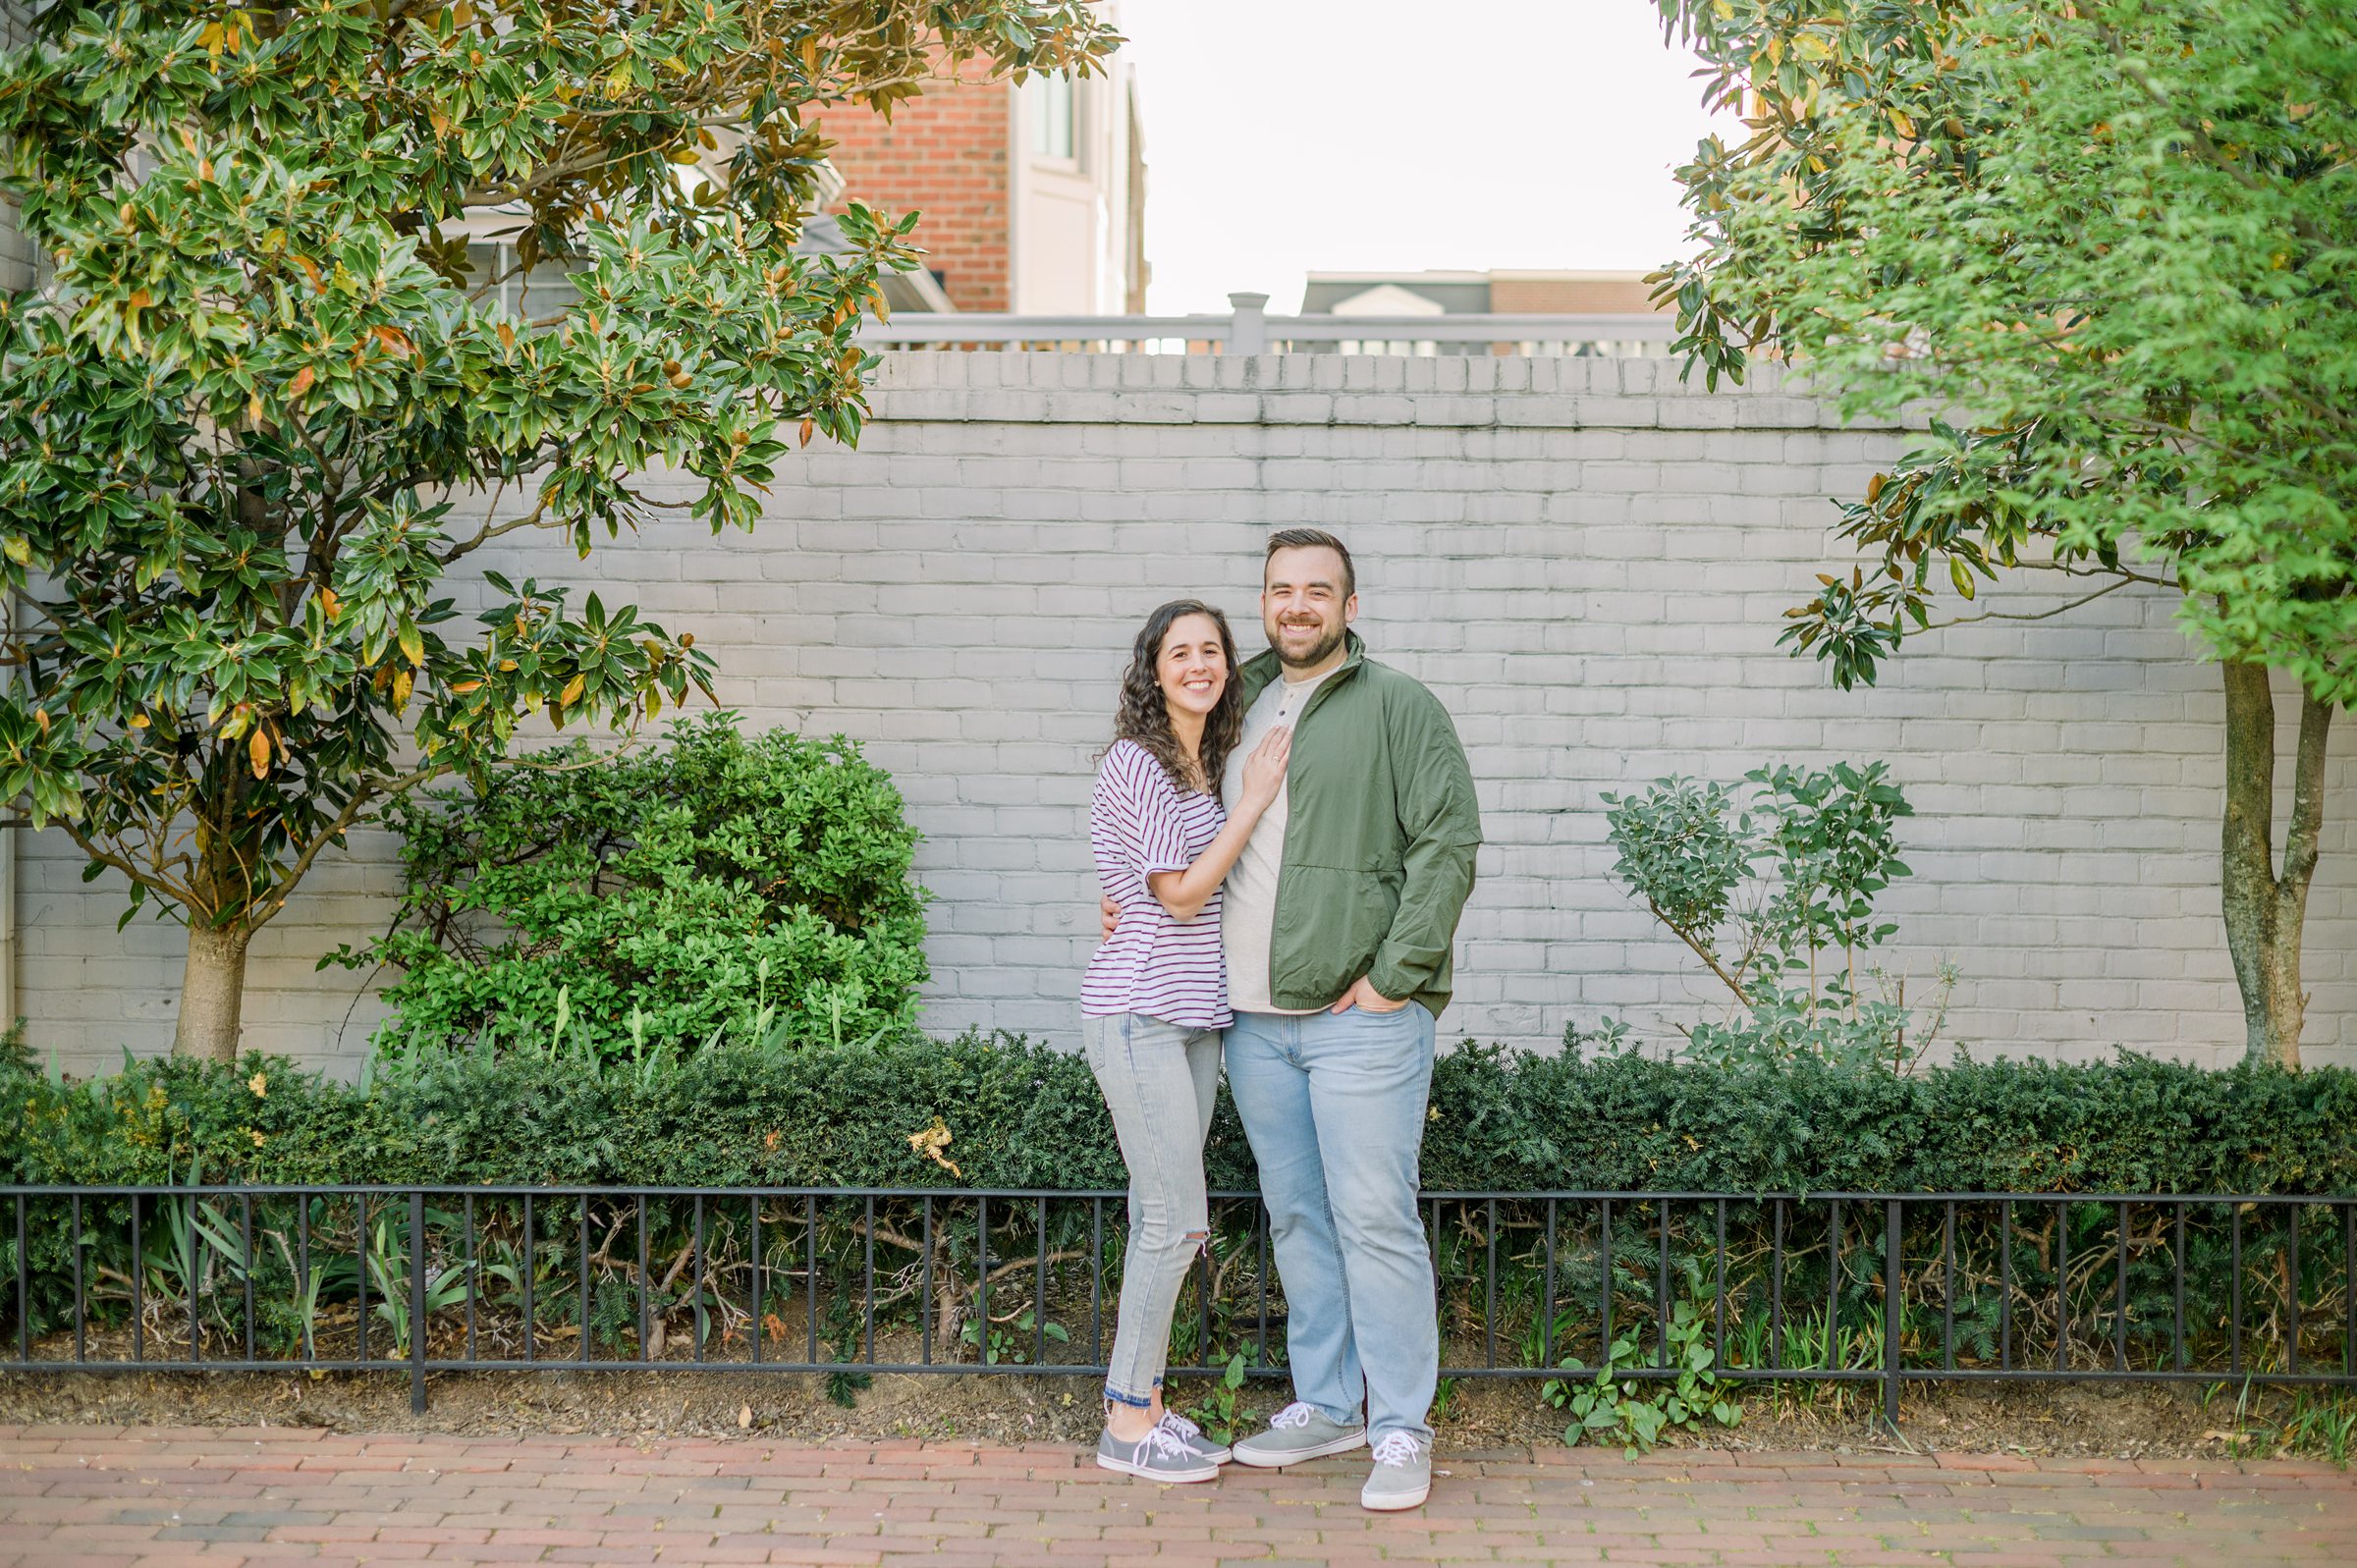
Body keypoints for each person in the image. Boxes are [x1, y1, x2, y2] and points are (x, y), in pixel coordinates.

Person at [1101, 530, 1480, 1511]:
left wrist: (1395, 977)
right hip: (1252, 1025)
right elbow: (1170, 836)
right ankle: (1327, 1402)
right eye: (1281, 590)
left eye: (1319, 591)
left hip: (1360, 1016)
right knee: (1300, 1220)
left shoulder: (1399, 705)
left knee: (1375, 1219)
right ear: (1262, 602)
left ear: (1350, 605)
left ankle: (1399, 1424)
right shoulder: (1235, 702)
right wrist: (1124, 902)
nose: (1298, 606)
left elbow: (1448, 844)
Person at [1082, 598, 1292, 1483]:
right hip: (1137, 1015)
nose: (1199, 663)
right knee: (1177, 1220)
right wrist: (1253, 804)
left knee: (1157, 1216)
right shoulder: (1138, 762)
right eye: (1181, 652)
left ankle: (1148, 1405)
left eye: (1212, 650)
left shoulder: (1202, 765)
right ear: (1153, 668)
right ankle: (1129, 1421)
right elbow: (1176, 894)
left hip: (1195, 1018)